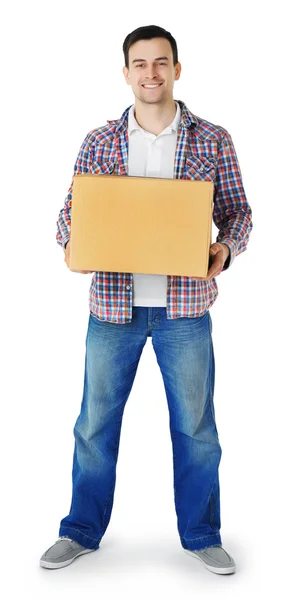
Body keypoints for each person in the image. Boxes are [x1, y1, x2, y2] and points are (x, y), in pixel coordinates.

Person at [40, 24, 253, 575]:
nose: (151, 73)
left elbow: (238, 213)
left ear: (176, 70)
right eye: (140, 63)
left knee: (196, 428)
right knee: (94, 424)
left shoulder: (212, 139)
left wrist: (224, 250)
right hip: (113, 310)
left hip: (185, 311)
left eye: (161, 63)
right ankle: (81, 530)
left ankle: (202, 533)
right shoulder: (99, 142)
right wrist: (72, 245)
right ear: (126, 72)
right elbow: (71, 213)